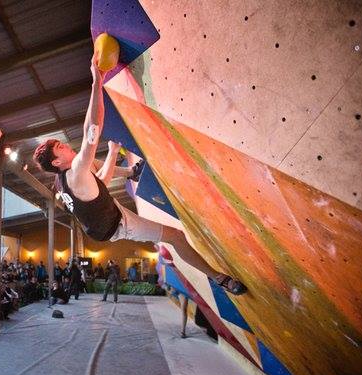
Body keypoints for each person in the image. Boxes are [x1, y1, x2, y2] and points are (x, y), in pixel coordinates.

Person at [32, 56, 246, 296]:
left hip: (103, 214)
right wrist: (96, 81)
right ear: (56, 161)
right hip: (118, 225)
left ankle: (132, 172)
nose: (64, 145)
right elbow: (92, 127)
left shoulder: (65, 180)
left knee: (96, 163)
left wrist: (113, 153)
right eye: (59, 147)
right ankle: (219, 278)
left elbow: (99, 186)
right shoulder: (76, 171)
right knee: (176, 236)